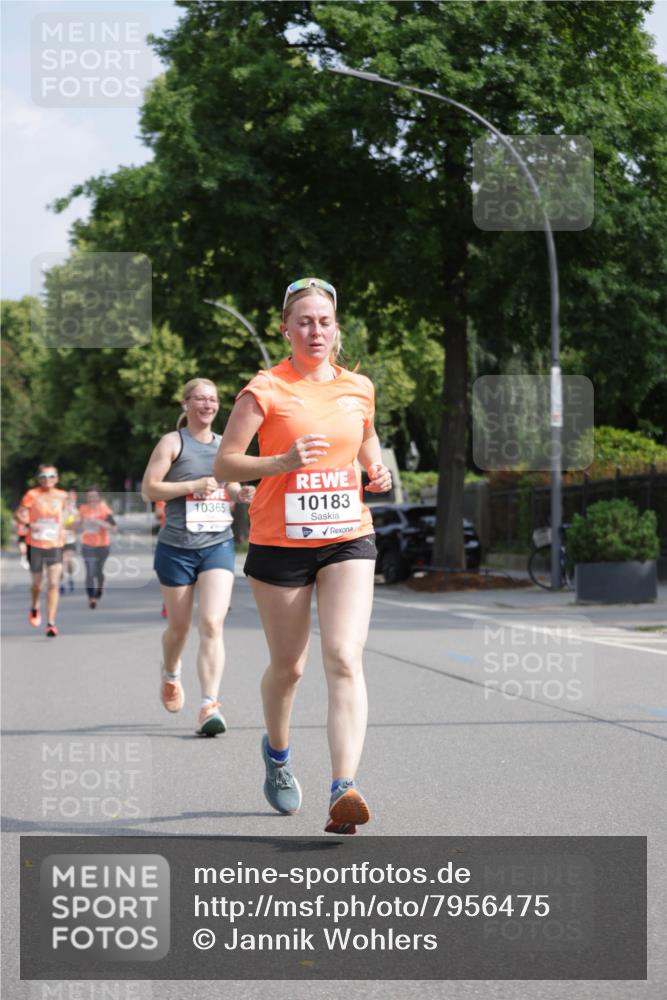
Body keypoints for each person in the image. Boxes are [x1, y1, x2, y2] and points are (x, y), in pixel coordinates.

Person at [214, 277, 392, 834]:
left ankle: (344, 788)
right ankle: (278, 753)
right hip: (279, 541)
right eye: (305, 322)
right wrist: (281, 462)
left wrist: (376, 465)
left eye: (325, 321)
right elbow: (225, 465)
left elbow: (364, 435)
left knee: (343, 656)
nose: (316, 330)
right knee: (290, 668)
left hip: (347, 535)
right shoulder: (264, 389)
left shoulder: (358, 386)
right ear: (286, 329)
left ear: (337, 328)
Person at [141, 377, 255, 737]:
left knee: (211, 623)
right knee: (179, 627)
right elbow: (149, 489)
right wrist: (191, 485)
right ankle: (171, 672)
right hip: (176, 547)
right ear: (186, 404)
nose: (208, 405)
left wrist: (240, 494)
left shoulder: (226, 446)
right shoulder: (172, 443)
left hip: (217, 543)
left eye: (213, 399)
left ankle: (209, 704)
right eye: (200, 399)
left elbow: (230, 484)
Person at [15, 464, 69, 637]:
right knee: (38, 585)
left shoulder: (62, 496)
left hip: (55, 544)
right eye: (44, 477)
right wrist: (29, 524)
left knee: (53, 583)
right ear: (39, 479)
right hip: (35, 544)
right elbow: (19, 514)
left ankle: (51, 623)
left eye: (51, 476)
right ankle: (35, 605)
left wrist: (69, 526)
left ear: (57, 478)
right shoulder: (32, 494)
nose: (48, 480)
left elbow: (69, 516)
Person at [78, 487, 117, 608]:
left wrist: (99, 522)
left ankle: (100, 586)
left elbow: (114, 528)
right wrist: (76, 523)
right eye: (89, 497)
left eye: (94, 496)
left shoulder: (104, 509)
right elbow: (76, 524)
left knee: (98, 571)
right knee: (90, 571)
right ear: (86, 498)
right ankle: (92, 597)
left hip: (103, 545)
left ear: (99, 497)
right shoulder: (82, 509)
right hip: (87, 544)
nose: (92, 499)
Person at [60, 489, 79, 594]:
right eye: (68, 498)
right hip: (59, 540)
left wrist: (72, 517)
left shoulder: (75, 512)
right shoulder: (59, 511)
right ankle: (62, 583)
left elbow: (75, 526)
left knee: (69, 562)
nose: (70, 500)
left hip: (70, 540)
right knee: (62, 563)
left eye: (73, 498)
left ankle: (70, 578)